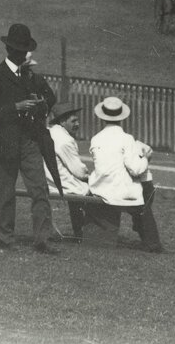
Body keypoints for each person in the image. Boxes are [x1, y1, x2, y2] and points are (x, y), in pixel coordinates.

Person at [0, 23, 62, 254]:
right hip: (7, 140)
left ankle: (42, 240)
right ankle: (4, 238)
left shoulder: (32, 77)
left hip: (29, 140)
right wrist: (16, 107)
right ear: (9, 50)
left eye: (23, 50)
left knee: (39, 190)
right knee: (6, 192)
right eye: (17, 50)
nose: (20, 54)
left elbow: (51, 98)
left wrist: (40, 104)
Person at [87, 96, 164, 253]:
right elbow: (136, 169)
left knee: (142, 190)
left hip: (100, 188)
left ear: (102, 117)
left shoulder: (96, 139)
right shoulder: (126, 138)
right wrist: (146, 158)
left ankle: (140, 225)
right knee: (146, 189)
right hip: (121, 192)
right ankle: (152, 241)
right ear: (121, 117)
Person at [44, 102, 90, 241]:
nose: (77, 124)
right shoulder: (65, 140)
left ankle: (80, 232)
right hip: (61, 183)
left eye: (77, 120)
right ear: (63, 121)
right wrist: (91, 176)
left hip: (48, 181)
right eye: (73, 121)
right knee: (94, 190)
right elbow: (79, 172)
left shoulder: (51, 132)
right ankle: (87, 233)